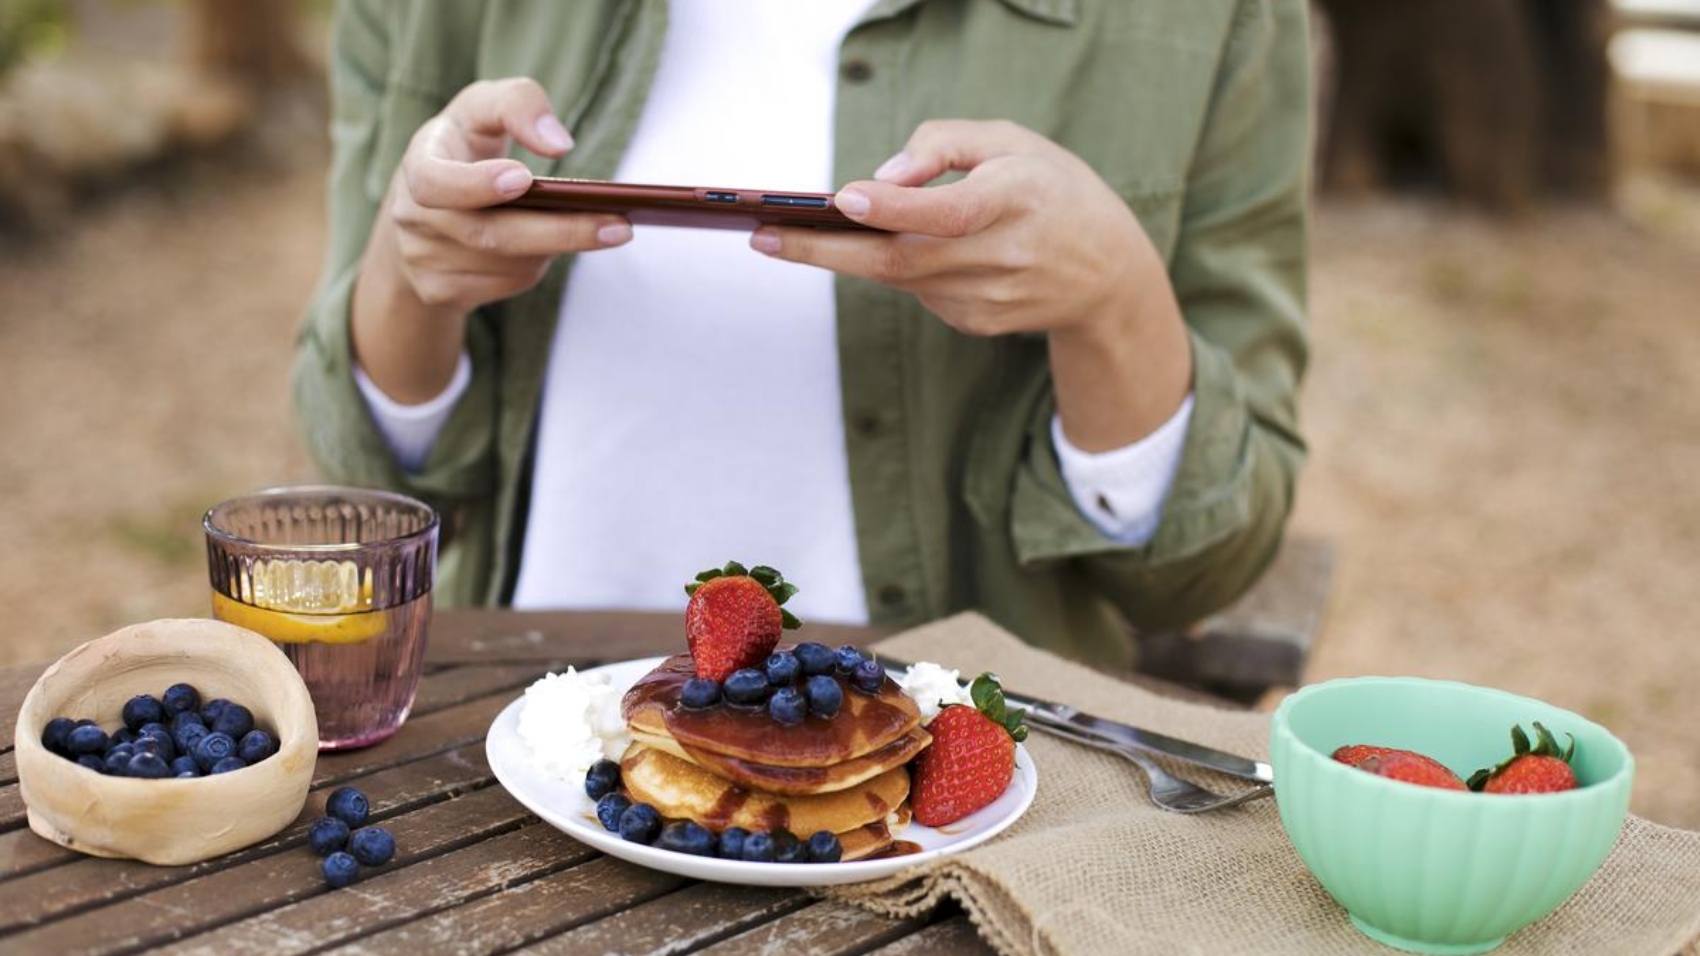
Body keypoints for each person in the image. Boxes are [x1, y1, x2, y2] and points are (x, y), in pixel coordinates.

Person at [294, 0, 1309, 670]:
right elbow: (367, 485)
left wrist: (1113, 300)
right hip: (518, 742)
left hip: (956, 815)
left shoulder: (1209, 21)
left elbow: (1199, 566)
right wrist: (409, 268)